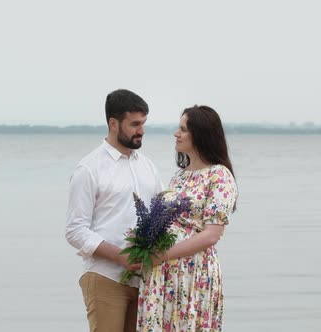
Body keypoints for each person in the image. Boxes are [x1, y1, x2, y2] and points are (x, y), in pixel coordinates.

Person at [65, 89, 164, 332]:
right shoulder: (89, 169)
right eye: (135, 124)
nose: (141, 131)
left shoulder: (148, 166)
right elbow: (75, 230)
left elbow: (161, 213)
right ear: (113, 123)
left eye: (143, 123)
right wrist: (120, 256)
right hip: (105, 277)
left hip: (145, 281)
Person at [137, 105, 238, 332]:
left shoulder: (219, 175)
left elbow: (211, 235)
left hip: (193, 273)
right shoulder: (179, 176)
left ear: (200, 134)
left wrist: (161, 255)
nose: (176, 133)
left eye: (183, 129)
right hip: (162, 273)